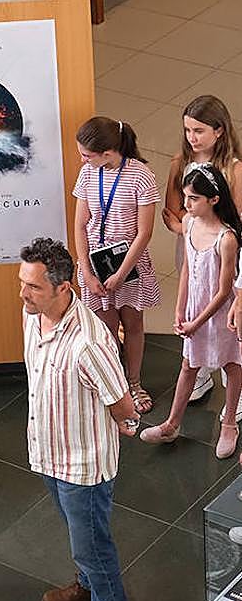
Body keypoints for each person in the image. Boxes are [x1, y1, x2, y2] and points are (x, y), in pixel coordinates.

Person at [19, 237, 138, 601]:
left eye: (33, 287)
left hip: (83, 465)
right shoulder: (33, 318)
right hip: (49, 452)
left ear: (64, 288)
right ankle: (87, 586)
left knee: (94, 545)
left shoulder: (89, 342)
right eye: (23, 283)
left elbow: (121, 402)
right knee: (79, 536)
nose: (23, 294)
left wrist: (128, 425)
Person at [141, 165, 242, 458]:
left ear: (213, 199)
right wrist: (180, 309)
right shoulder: (189, 224)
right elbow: (186, 269)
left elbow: (224, 291)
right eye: (185, 196)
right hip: (195, 310)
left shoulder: (227, 239)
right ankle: (172, 423)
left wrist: (197, 321)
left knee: (232, 366)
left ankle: (228, 424)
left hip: (221, 316)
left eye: (193, 198)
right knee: (188, 365)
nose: (186, 204)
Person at [74, 116, 161, 416]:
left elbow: (144, 233)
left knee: (133, 324)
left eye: (87, 154)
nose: (82, 159)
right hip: (96, 264)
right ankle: (114, 385)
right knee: (105, 328)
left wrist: (122, 273)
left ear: (109, 153)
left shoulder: (140, 176)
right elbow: (80, 226)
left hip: (129, 264)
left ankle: (134, 383)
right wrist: (86, 271)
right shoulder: (87, 173)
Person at [162, 96, 242, 412]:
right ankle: (200, 371)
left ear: (219, 131)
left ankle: (233, 385)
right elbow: (171, 211)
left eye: (198, 131)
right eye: (187, 130)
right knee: (195, 298)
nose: (191, 138)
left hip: (224, 251)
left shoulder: (234, 169)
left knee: (226, 317)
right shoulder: (179, 163)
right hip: (191, 248)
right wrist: (189, 229)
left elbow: (237, 217)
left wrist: (205, 228)